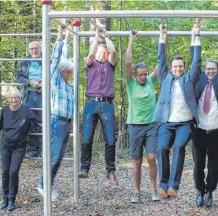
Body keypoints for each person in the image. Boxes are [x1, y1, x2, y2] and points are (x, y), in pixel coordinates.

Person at [154, 24, 202, 199]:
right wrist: (162, 36)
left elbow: (197, 61)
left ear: (184, 67)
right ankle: (163, 184)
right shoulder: (165, 78)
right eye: (175, 66)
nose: (177, 69)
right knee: (162, 147)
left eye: (180, 66)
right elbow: (161, 60)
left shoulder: (190, 78)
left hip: (185, 123)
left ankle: (174, 185)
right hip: (167, 123)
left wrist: (196, 37)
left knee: (179, 146)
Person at [191, 22, 218, 208]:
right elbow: (195, 61)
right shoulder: (198, 81)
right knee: (198, 165)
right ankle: (200, 191)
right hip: (199, 132)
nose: (210, 71)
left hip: (216, 132)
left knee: (214, 166)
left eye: (213, 69)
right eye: (208, 69)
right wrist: (196, 36)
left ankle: (210, 192)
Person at [0, 88, 41, 212]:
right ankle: (5, 198)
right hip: (5, 146)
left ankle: (12, 199)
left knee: (13, 172)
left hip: (19, 147)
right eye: (11, 98)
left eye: (15, 97)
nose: (13, 100)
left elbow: (38, 121)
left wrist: (49, 126)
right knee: (5, 172)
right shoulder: (4, 110)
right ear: (8, 99)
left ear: (20, 98)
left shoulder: (26, 110)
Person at [37, 25, 74, 201]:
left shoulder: (68, 85)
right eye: (68, 71)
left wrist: (68, 37)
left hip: (66, 123)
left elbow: (65, 56)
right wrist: (59, 35)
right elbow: (57, 57)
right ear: (62, 71)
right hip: (57, 121)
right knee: (53, 156)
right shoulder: (56, 80)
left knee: (58, 157)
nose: (71, 73)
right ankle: (43, 184)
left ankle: (48, 184)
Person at [78, 28, 118, 185]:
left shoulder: (110, 66)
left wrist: (106, 36)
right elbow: (90, 53)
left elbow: (113, 51)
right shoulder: (90, 64)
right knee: (87, 137)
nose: (102, 55)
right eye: (100, 52)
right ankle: (84, 168)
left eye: (104, 53)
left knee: (110, 139)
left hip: (107, 104)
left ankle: (111, 171)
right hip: (91, 104)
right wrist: (96, 37)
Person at [125, 32, 159, 203]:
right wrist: (131, 39)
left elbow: (161, 63)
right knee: (136, 161)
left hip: (151, 125)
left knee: (152, 157)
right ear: (135, 75)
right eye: (140, 74)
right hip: (135, 126)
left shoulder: (152, 81)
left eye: (145, 74)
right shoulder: (130, 83)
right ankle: (137, 191)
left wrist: (162, 37)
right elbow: (128, 62)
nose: (143, 77)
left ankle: (154, 189)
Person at [15, 39, 43, 158]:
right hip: (28, 95)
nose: (34, 50)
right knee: (30, 121)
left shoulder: (47, 60)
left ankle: (43, 149)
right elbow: (18, 76)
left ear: (40, 49)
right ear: (29, 50)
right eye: (31, 48)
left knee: (44, 120)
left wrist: (44, 83)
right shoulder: (25, 62)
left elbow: (54, 74)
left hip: (43, 94)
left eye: (36, 48)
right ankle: (33, 149)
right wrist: (29, 82)